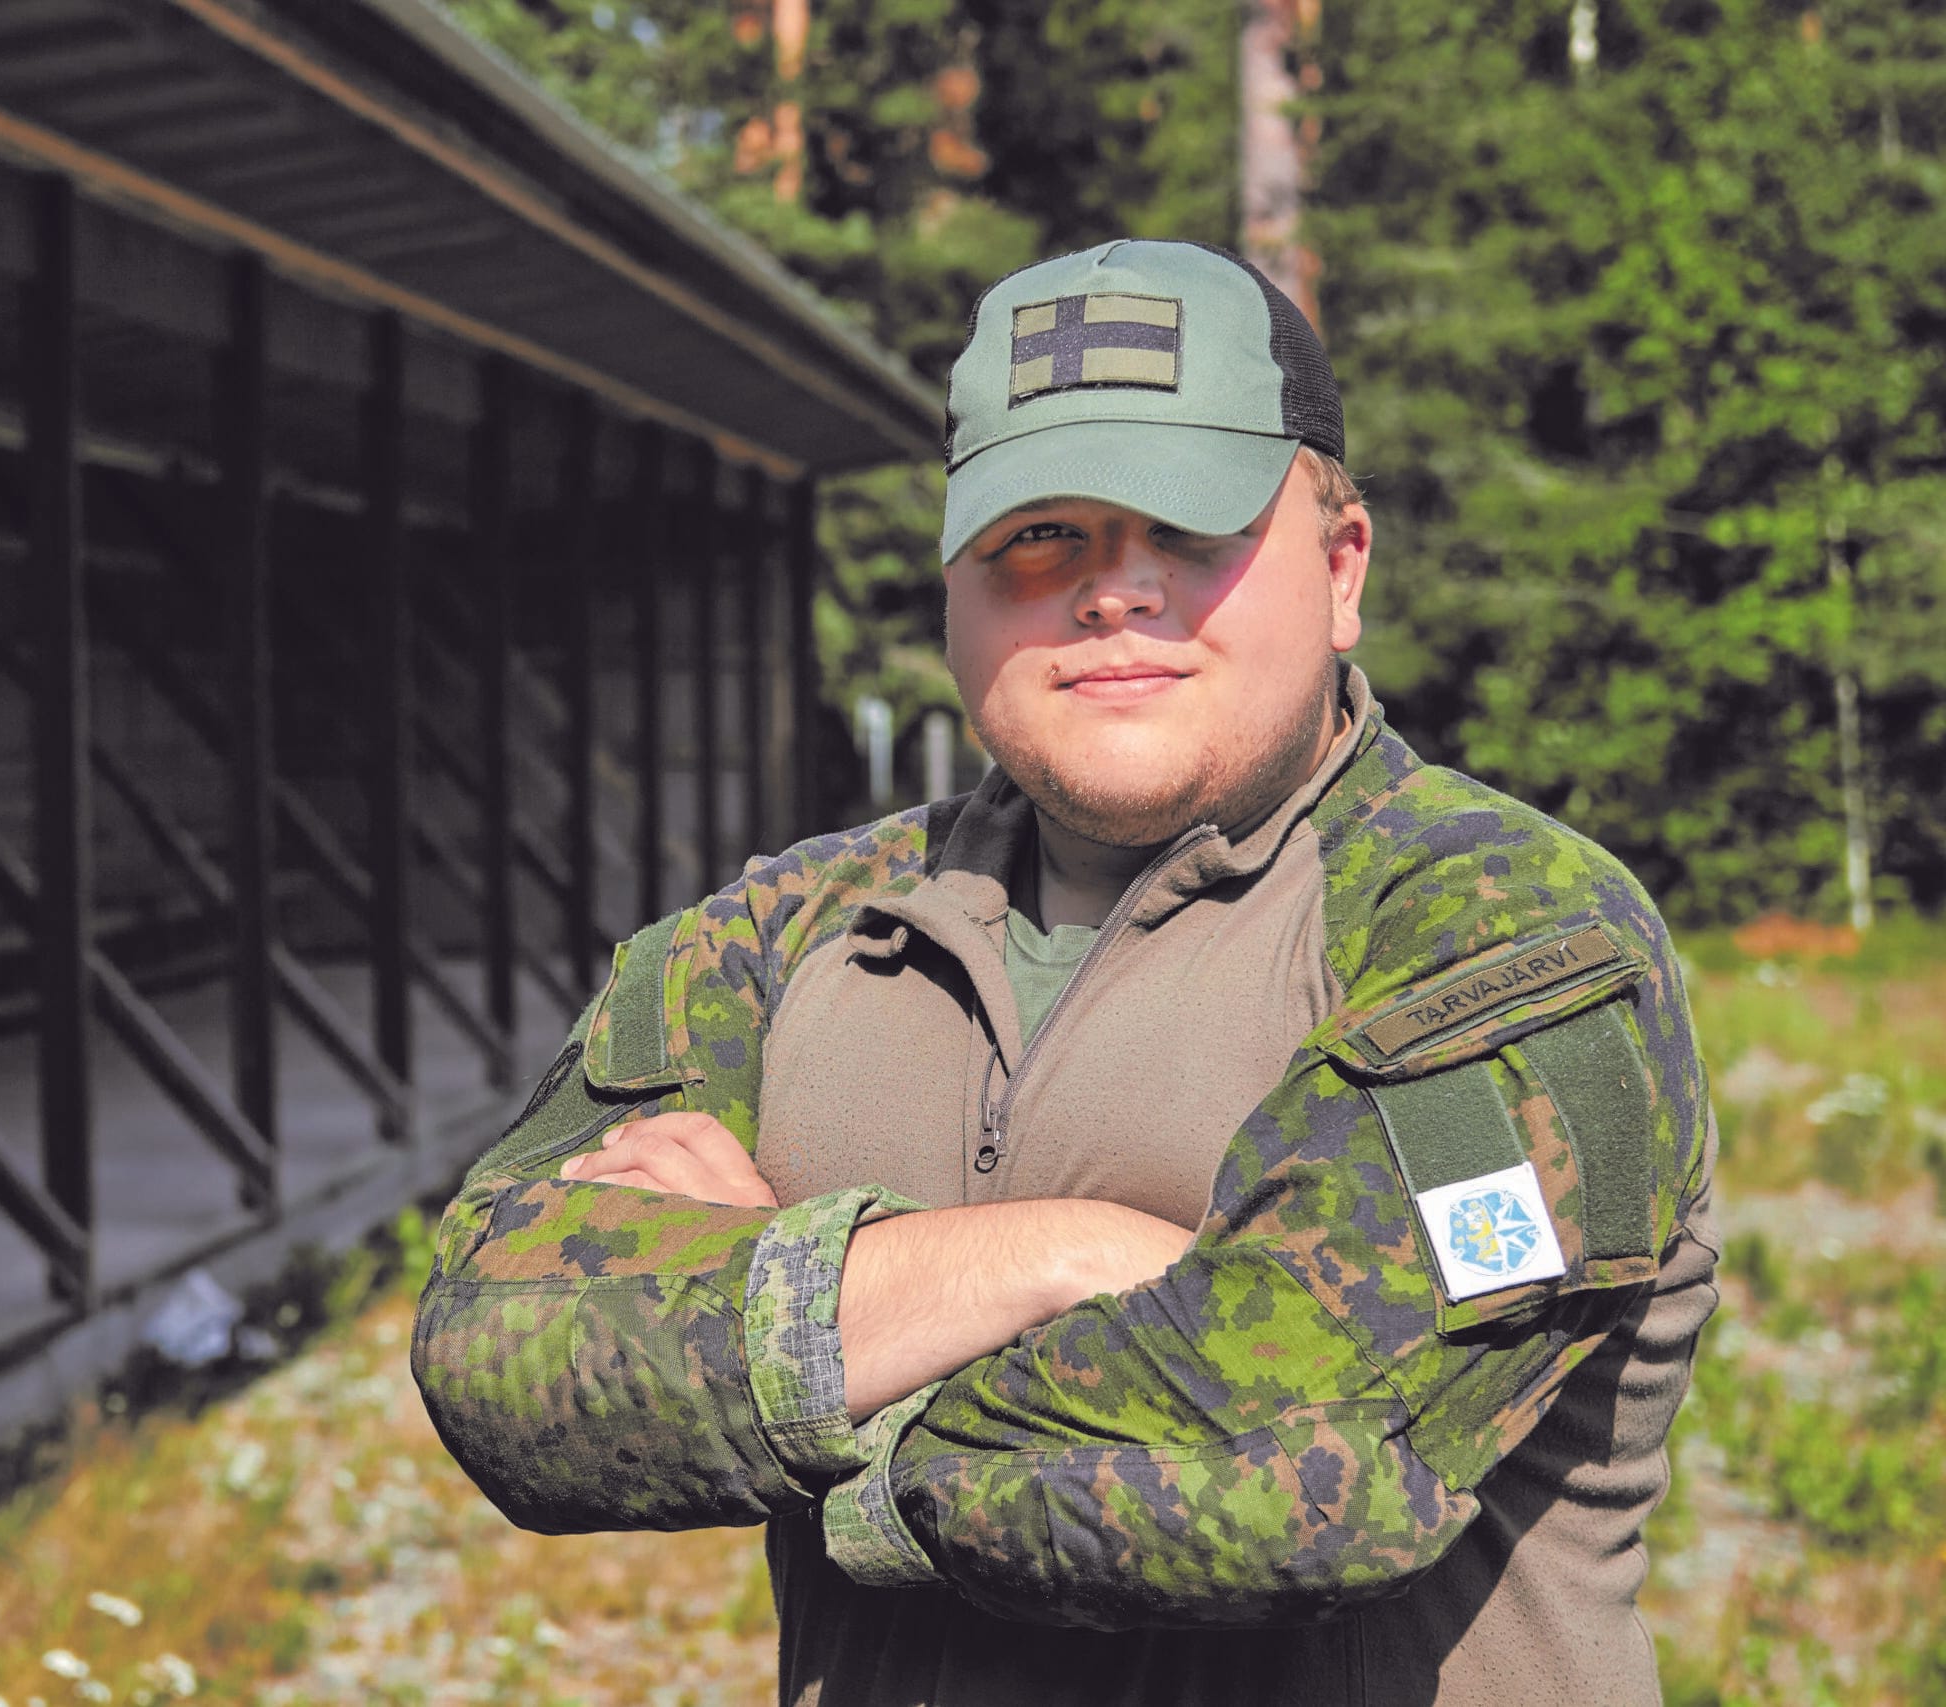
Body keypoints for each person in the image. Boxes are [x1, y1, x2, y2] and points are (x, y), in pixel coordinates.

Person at [409, 239, 1718, 1706]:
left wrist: (792, 1334)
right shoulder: (788, 927)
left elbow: (1302, 1467)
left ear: (1342, 566)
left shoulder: (1509, 933)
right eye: (1040, 535)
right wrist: (1065, 1257)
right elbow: (492, 1344)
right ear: (954, 588)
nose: (1115, 591)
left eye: (1193, 521)